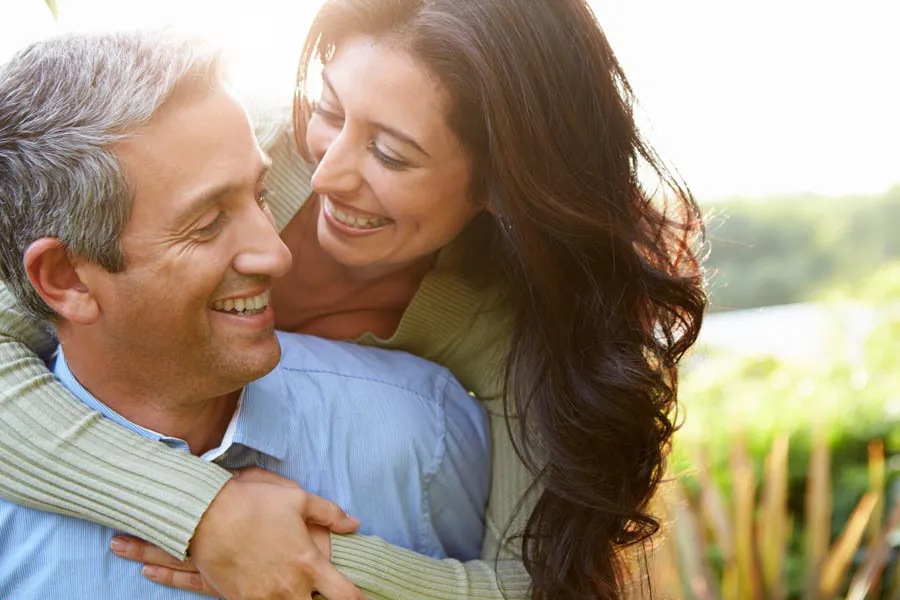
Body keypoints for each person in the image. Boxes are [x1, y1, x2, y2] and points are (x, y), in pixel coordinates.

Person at [0, 0, 708, 598]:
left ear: (500, 182)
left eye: (392, 155)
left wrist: (307, 561)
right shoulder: (218, 150)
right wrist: (201, 513)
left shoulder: (510, 330)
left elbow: (534, 582)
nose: (328, 172)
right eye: (330, 110)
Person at [0, 30, 490, 600]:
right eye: (207, 222)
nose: (278, 254)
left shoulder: (427, 430)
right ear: (67, 278)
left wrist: (322, 567)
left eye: (260, 195)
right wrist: (197, 510)